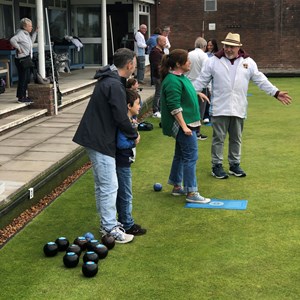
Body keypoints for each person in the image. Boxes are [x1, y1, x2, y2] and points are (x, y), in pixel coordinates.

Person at [194, 32, 292, 179]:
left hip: (238, 107)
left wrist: (276, 93)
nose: (228, 49)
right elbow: (201, 80)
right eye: (226, 46)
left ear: (238, 47)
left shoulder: (249, 62)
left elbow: (260, 79)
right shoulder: (212, 61)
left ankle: (234, 164)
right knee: (218, 138)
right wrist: (189, 92)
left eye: (232, 47)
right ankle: (217, 165)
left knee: (236, 138)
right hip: (220, 107)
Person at [73, 48, 139, 243]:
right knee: (109, 186)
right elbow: (120, 116)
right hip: (98, 139)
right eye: (134, 63)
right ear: (129, 65)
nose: (134, 66)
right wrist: (133, 134)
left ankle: (108, 225)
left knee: (104, 185)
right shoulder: (113, 84)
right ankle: (110, 228)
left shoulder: (111, 81)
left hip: (97, 138)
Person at [160, 49, 211, 204]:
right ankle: (191, 192)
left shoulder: (179, 77)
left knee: (181, 155)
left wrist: (196, 94)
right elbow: (174, 106)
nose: (190, 62)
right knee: (191, 157)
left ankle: (177, 187)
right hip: (185, 125)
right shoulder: (172, 80)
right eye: (187, 60)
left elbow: (183, 93)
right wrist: (184, 126)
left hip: (188, 123)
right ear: (178, 64)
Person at [116, 89, 147, 236]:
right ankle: (127, 224)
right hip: (121, 162)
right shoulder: (124, 123)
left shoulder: (128, 121)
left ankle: (124, 221)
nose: (139, 106)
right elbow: (121, 144)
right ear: (129, 105)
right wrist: (134, 141)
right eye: (137, 104)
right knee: (126, 194)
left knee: (123, 193)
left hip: (124, 161)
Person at [186, 37, 209, 141]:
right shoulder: (205, 57)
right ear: (204, 46)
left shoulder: (188, 55)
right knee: (200, 110)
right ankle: (197, 132)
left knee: (189, 108)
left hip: (188, 84)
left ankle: (188, 128)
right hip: (200, 85)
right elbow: (207, 73)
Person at [10, 18, 38, 104]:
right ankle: (21, 97)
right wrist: (19, 48)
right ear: (24, 26)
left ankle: (24, 96)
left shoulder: (26, 34)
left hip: (27, 58)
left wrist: (36, 32)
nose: (31, 27)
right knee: (23, 78)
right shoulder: (21, 33)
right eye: (30, 26)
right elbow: (12, 40)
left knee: (27, 78)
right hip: (22, 59)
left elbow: (31, 43)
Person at [149, 35, 167, 118]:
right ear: (159, 42)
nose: (165, 43)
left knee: (160, 93)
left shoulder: (161, 51)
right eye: (164, 41)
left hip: (161, 76)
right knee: (158, 93)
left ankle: (159, 109)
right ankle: (155, 111)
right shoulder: (155, 52)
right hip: (158, 76)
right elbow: (157, 66)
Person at [203, 38, 219, 124]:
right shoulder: (205, 55)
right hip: (207, 78)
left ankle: (213, 114)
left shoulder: (217, 56)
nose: (209, 47)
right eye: (208, 45)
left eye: (211, 45)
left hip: (215, 79)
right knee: (207, 97)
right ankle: (206, 115)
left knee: (214, 96)